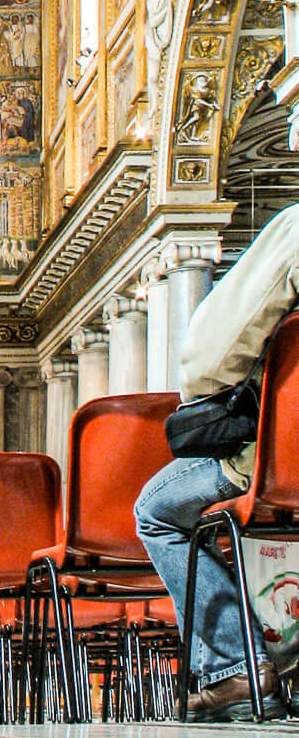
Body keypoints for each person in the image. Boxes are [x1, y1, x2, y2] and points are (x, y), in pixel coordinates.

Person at [135, 202, 299, 721]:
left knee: (156, 511)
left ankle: (236, 665)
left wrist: (206, 396)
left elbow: (213, 352)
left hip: (277, 464)